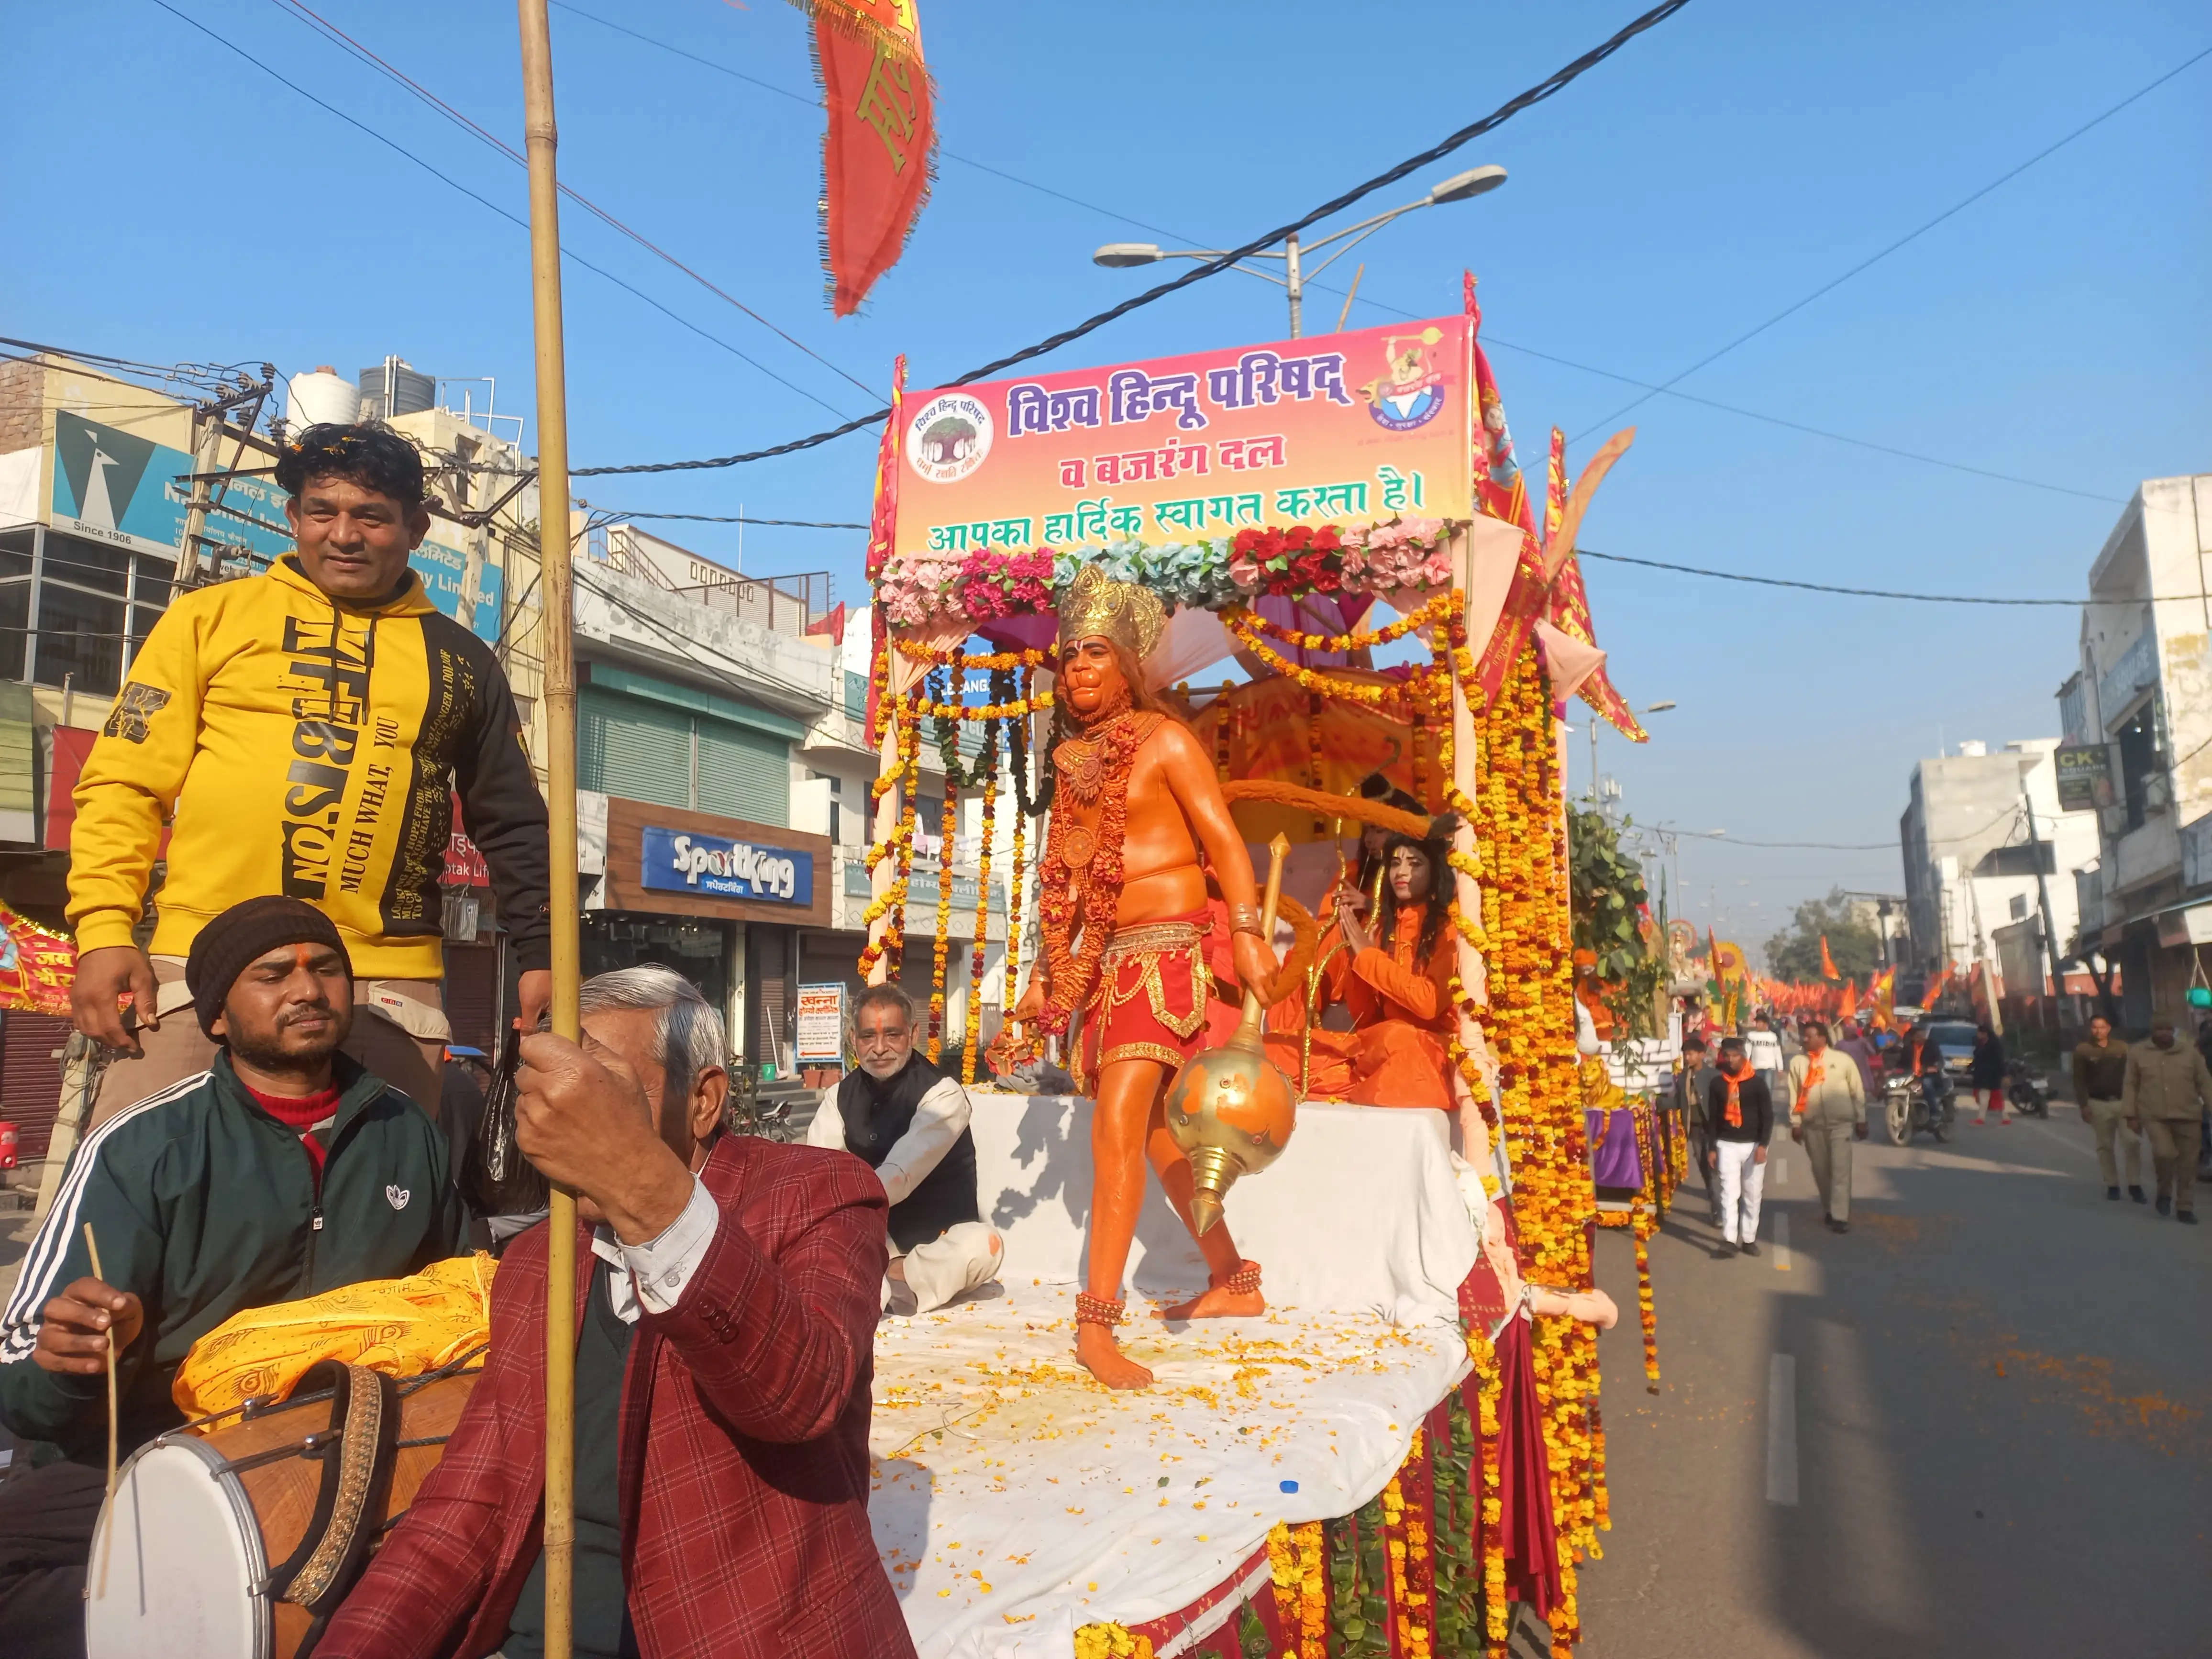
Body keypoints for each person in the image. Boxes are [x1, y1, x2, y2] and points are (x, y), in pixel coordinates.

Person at [317, 965, 912, 1659]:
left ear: (703, 1101)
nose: (561, 1114)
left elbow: (796, 1392)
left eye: (597, 1088)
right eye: (548, 1089)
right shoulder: (541, 1259)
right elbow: (469, 1501)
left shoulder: (817, 1194)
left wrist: (636, 1182)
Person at [0, 897, 466, 1659]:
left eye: (327, 970)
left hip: (355, 1438)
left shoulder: (406, 1130)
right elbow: (24, 1382)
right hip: (157, 1445)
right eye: (273, 975)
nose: (308, 990)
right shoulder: (143, 1146)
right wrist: (70, 1363)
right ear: (217, 1017)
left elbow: (456, 1301)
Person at [66, 422, 553, 1127]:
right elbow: (123, 783)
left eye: (373, 517)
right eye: (323, 512)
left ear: (416, 527)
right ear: (293, 518)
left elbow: (512, 823)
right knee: (140, 1193)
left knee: (380, 1212)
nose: (344, 535)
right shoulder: (208, 619)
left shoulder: (463, 663)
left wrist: (541, 954)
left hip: (385, 983)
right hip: (202, 963)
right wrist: (106, 930)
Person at [1008, 565, 1278, 1391]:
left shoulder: (1165, 741)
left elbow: (1225, 843)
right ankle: (1235, 1281)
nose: (1078, 666)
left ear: (1126, 663)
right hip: (1106, 963)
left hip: (1165, 955)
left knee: (1117, 1124)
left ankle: (1095, 1325)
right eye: (1068, 654)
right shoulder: (1074, 761)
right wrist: (1041, 978)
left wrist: (1247, 931)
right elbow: (1069, 884)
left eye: (1094, 650)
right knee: (1158, 1136)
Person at [807, 983, 1004, 1315]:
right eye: (868, 1037)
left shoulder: (943, 1096)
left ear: (913, 1035)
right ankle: (885, 1280)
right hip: (871, 1239)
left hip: (934, 1244)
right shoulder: (838, 1097)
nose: (880, 1048)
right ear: (854, 1039)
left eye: (893, 1036)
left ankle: (894, 1279)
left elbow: (900, 1175)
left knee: (985, 1245)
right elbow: (818, 1173)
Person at [1301, 829, 1460, 1111]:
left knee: (1399, 1040)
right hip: (1381, 1048)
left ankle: (1358, 1082)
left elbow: (1429, 1003)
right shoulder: (1385, 926)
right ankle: (1355, 1080)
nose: (1402, 871)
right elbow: (1366, 1021)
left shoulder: (1451, 929)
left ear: (1436, 872)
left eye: (1415, 863)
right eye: (1396, 863)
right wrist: (1356, 964)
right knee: (1290, 1047)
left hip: (1435, 1053)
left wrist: (1369, 958)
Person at [2121, 1010, 2210, 1224]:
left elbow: (2205, 1083)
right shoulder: (2138, 1053)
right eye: (2160, 1029)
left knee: (2188, 1165)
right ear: (2153, 1031)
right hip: (2154, 1115)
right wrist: (2130, 1115)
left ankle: (2185, 1207)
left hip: (2188, 1115)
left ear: (2174, 1031)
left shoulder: (2190, 1053)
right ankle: (2164, 1192)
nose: (2164, 1033)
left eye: (2168, 1029)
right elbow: (2131, 1084)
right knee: (2165, 1154)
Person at [1787, 1020, 1867, 1232]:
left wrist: (1861, 1119)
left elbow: (1856, 1091)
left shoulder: (1843, 1060)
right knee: (1821, 1171)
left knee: (1840, 1170)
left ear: (1823, 1038)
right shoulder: (1798, 1063)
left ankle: (1840, 1217)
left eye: (1810, 1036)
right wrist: (1796, 1123)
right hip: (1813, 1125)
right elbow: (1794, 1094)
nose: (1806, 1039)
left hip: (1841, 1124)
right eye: (1805, 1036)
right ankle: (1829, 1209)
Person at [1704, 1037, 1773, 1257]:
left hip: (1753, 1145)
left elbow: (1768, 1117)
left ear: (1743, 1056)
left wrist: (1763, 1145)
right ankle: (1729, 1239)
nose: (1731, 1060)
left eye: (1735, 1056)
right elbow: (1713, 1118)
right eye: (1727, 1056)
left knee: (1752, 1194)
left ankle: (1749, 1239)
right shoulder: (1717, 1084)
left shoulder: (1757, 1083)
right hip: (1727, 1145)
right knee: (1729, 1194)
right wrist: (1713, 1148)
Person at [2072, 1013, 2142, 1203]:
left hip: (2124, 1102)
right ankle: (2112, 1185)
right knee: (2105, 1146)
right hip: (2098, 1103)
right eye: (2095, 1027)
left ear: (2109, 1028)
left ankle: (2135, 1185)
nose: (2098, 1031)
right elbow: (2078, 1080)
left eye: (2102, 1027)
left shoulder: (2122, 1048)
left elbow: (2134, 1075)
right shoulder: (2083, 1050)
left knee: (2132, 1142)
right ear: (2090, 1029)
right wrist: (2084, 1105)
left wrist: (2137, 1102)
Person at [1675, 1033, 1723, 1226]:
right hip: (1694, 1129)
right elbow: (1678, 1102)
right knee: (1705, 1168)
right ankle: (1717, 1205)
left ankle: (1720, 1209)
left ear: (1702, 1055)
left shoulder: (1713, 1076)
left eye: (1692, 1054)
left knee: (1714, 1168)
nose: (1688, 1058)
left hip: (1713, 1129)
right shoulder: (1682, 1078)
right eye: (1686, 1055)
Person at [1969, 1019, 2009, 1125]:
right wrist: (1968, 1068)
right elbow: (1976, 1059)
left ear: (1985, 1034)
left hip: (1993, 1075)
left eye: (1980, 1033)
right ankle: (2005, 1118)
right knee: (1988, 1097)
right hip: (1981, 1074)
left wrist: (2005, 1075)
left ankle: (1981, 1118)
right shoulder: (1980, 1044)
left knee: (1987, 1096)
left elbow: (2000, 1060)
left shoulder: (1995, 1045)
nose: (1978, 1035)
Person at [1835, 1018, 1881, 1102]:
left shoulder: (1862, 1042)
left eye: (1852, 1026)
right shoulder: (1840, 1044)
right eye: (1847, 1026)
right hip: (1846, 1073)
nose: (1849, 1029)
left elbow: (1873, 1053)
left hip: (1862, 1072)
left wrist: (1866, 1044)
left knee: (1862, 1100)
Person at [1744, 1013, 1784, 1103]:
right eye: (1757, 1023)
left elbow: (1778, 1053)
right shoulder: (1751, 1036)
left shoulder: (1773, 1037)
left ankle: (1767, 1109)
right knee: (1755, 1090)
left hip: (1770, 1068)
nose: (1758, 1025)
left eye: (1760, 1023)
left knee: (1768, 1090)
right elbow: (1747, 1051)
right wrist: (1746, 1065)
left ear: (1766, 1024)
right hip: (1755, 1067)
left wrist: (1780, 1068)